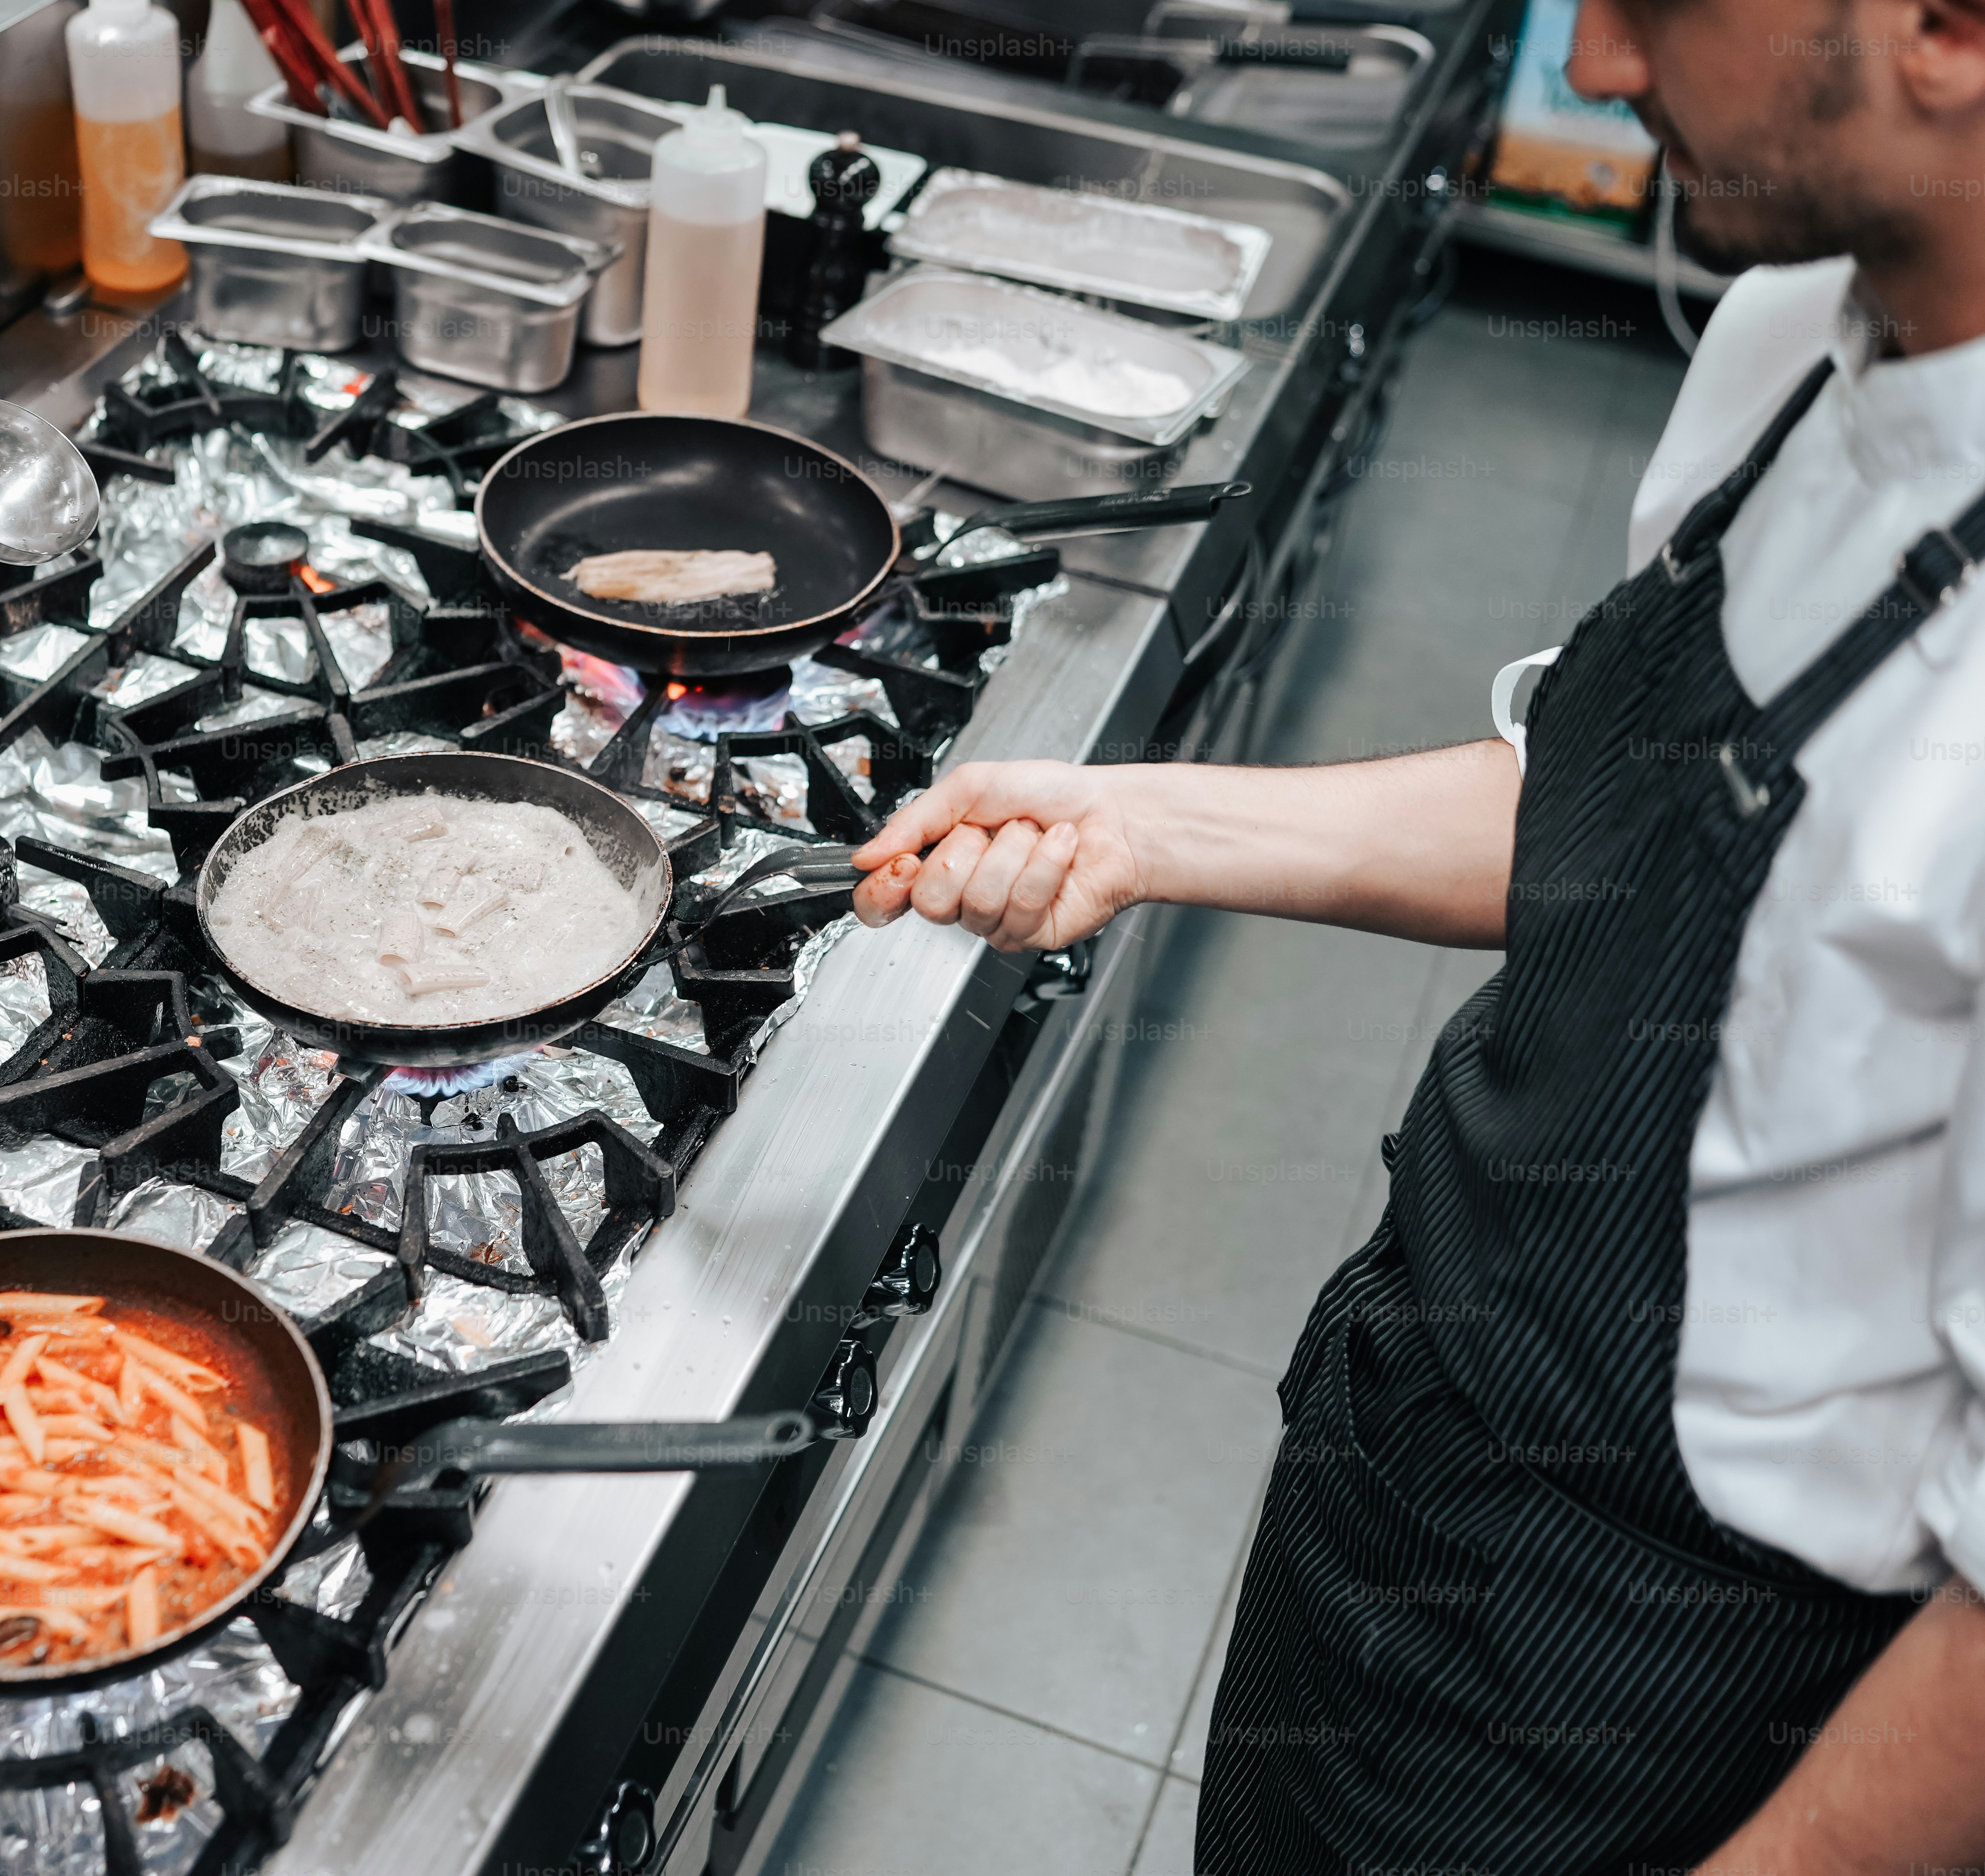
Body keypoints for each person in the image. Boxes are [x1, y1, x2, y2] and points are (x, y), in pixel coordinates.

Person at [848, 0, 1985, 1866]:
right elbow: (1613, 804)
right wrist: (1137, 822)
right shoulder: (1798, 332)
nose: (1597, 67)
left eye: (1652, 8)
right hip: (1401, 1458)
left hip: (1651, 1702)